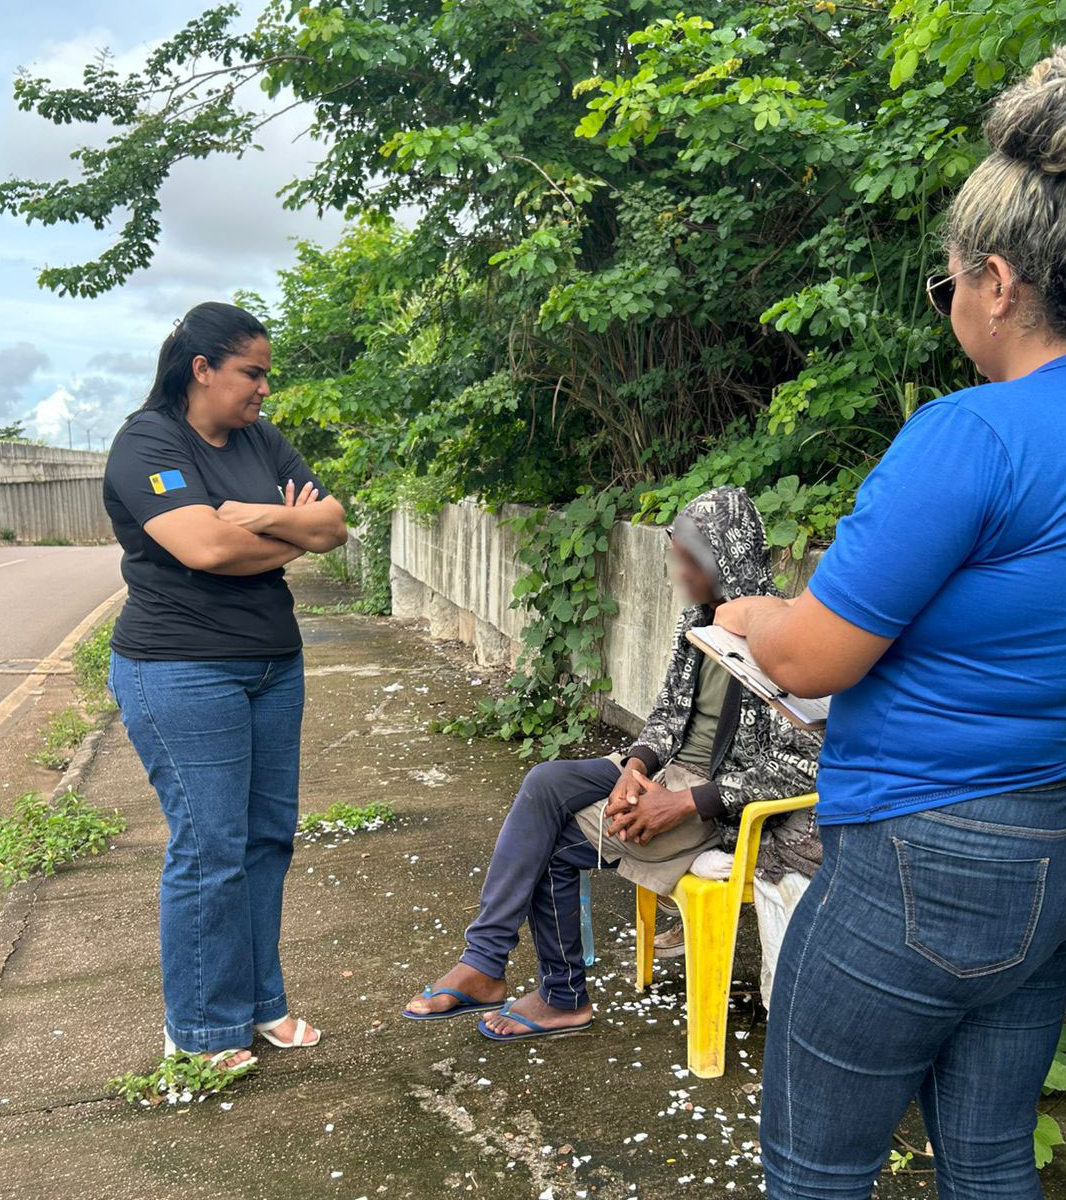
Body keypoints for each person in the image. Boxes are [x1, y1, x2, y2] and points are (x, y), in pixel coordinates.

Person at [714, 35, 1066, 1199]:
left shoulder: (973, 433)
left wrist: (752, 608)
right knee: (984, 1158)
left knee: (815, 1167)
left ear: (998, 278)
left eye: (948, 287)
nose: (952, 312)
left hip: (934, 857)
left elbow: (816, 656)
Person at [404, 486, 821, 1039]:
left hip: (718, 808)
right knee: (546, 781)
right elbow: (668, 715)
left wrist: (684, 803)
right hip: (667, 776)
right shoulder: (698, 621)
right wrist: (636, 768)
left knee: (550, 847)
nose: (676, 568)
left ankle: (559, 996)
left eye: (687, 557)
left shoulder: (786, 635)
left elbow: (804, 764)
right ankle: (486, 961)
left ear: (724, 556)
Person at [104, 301, 348, 1071]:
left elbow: (335, 525)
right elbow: (205, 548)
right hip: (181, 667)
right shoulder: (148, 442)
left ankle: (260, 1004)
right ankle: (202, 1027)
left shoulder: (259, 438)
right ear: (202, 368)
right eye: (252, 373)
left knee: (267, 841)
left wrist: (259, 518)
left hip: (274, 665)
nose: (263, 390)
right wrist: (285, 530)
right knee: (212, 847)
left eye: (266, 375)